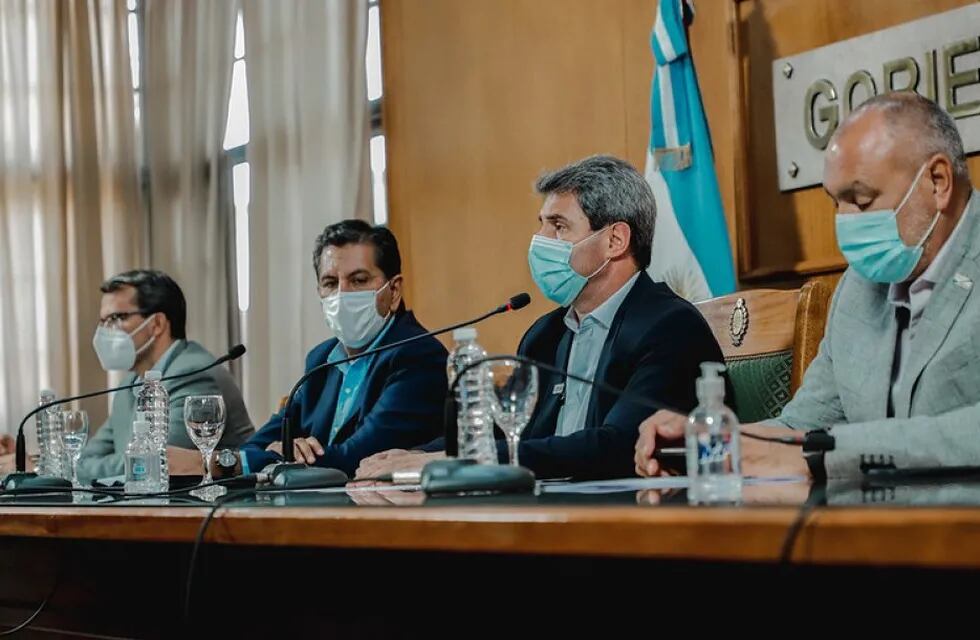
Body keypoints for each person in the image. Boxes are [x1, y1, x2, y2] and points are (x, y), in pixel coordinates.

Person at [636, 91, 980, 481]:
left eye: (861, 200)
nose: (845, 221)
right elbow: (803, 425)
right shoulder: (857, 288)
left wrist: (825, 456)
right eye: (836, 202)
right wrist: (711, 440)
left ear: (937, 181)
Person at [357, 155, 730, 481]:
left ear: (615, 240)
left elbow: (618, 444)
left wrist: (459, 459)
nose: (540, 239)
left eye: (558, 226)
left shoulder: (670, 327)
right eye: (541, 224)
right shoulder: (546, 334)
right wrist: (419, 456)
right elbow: (505, 435)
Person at [217, 220, 448, 479]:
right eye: (330, 283)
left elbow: (359, 457)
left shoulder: (419, 354)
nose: (342, 294)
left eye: (358, 280)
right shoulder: (320, 360)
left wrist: (282, 456)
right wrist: (283, 449)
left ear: (393, 291)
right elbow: (254, 445)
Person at [77, 270, 254, 483]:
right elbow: (81, 461)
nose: (106, 331)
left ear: (157, 324)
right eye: (103, 321)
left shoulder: (192, 374)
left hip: (214, 510)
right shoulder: (129, 385)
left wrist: (90, 467)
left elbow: (157, 463)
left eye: (117, 318)